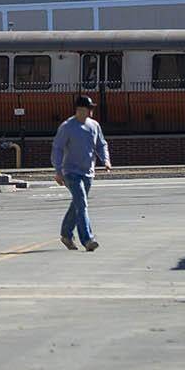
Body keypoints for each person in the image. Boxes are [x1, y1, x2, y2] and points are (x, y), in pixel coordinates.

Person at [52, 94, 111, 252]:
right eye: (88, 108)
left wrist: (106, 160)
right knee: (82, 203)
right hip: (70, 172)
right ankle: (88, 239)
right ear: (79, 110)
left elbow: (101, 144)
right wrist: (58, 171)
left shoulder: (94, 125)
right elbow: (57, 148)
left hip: (88, 173)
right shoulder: (67, 127)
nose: (91, 111)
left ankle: (66, 234)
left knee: (77, 204)